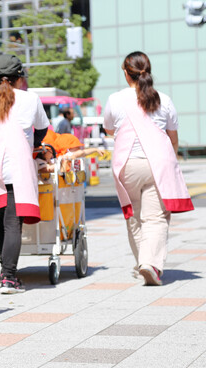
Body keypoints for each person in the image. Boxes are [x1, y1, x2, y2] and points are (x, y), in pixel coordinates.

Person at [103, 51, 193, 286]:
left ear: (126, 73)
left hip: (127, 165)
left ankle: (142, 263)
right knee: (156, 217)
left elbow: (110, 129)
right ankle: (150, 264)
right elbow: (173, 137)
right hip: (158, 165)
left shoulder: (115, 99)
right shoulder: (164, 99)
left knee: (134, 217)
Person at [0, 54, 49, 294]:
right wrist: (30, 142)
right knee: (13, 222)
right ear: (19, 78)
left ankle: (6, 272)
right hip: (17, 165)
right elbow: (43, 128)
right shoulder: (30, 98)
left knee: (1, 220)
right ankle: (10, 278)